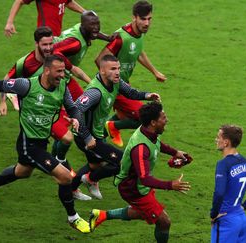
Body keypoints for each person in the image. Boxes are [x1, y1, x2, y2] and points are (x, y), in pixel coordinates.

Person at [0, 55, 96, 233]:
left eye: (64, 71)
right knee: (65, 176)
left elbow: (72, 108)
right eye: (58, 71)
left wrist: (76, 119)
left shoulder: (62, 86)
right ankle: (73, 218)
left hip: (41, 142)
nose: (62, 75)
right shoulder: (26, 85)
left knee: (22, 172)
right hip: (28, 145)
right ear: (47, 70)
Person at [88, 101, 192, 243]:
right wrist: (170, 185)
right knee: (164, 222)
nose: (166, 120)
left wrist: (175, 152)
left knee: (146, 213)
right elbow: (145, 179)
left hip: (138, 185)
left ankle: (101, 215)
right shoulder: (140, 148)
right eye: (163, 117)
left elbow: (157, 143)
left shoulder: (150, 131)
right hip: (133, 188)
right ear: (153, 122)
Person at [70, 54, 161, 200]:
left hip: (97, 133)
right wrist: (87, 136)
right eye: (113, 69)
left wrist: (147, 95)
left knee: (94, 165)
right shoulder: (95, 92)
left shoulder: (116, 82)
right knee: (124, 162)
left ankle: (72, 188)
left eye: (118, 68)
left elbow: (130, 92)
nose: (118, 72)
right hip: (86, 136)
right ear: (102, 71)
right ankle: (91, 179)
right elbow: (76, 110)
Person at [95, 0, 166, 147]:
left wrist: (155, 72)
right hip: (116, 86)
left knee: (126, 116)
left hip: (124, 84)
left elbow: (138, 52)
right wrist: (115, 82)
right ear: (134, 17)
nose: (147, 23)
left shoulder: (138, 34)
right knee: (144, 117)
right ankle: (110, 129)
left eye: (149, 19)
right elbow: (100, 59)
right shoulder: (121, 37)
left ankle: (99, 140)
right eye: (143, 19)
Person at [210, 125, 246, 243]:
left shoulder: (223, 164)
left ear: (226, 142)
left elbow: (219, 192)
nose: (216, 140)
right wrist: (245, 205)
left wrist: (214, 214)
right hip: (241, 220)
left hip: (226, 220)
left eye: (218, 137)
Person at [4, 0, 85, 37]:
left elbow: (67, 2)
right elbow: (20, 1)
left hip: (57, 36)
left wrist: (84, 12)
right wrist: (9, 22)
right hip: (44, 35)